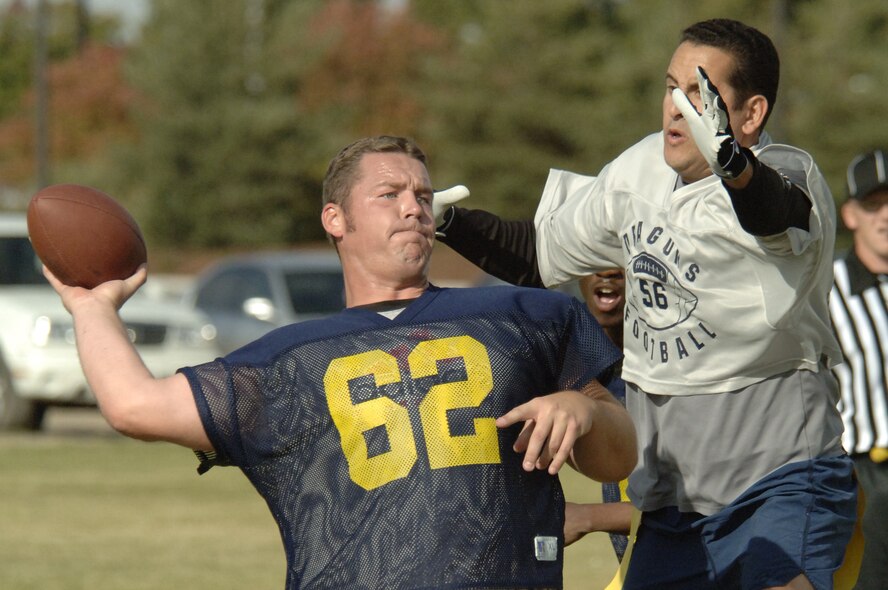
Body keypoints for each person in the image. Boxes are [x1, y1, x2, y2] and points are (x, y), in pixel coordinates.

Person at [45, 135, 637, 589]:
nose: (414, 209)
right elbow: (131, 406)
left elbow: (620, 452)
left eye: (423, 197)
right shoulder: (289, 359)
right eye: (390, 195)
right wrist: (91, 308)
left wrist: (581, 412)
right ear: (336, 219)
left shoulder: (525, 314)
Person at [436, 19, 858, 590]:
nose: (675, 109)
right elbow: (541, 254)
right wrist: (445, 223)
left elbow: (769, 208)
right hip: (672, 498)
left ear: (752, 115)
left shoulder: (786, 175)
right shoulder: (640, 173)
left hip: (778, 476)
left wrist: (733, 164)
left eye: (698, 95)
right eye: (669, 88)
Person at [830, 149, 888, 590]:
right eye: (874, 205)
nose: (885, 217)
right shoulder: (826, 291)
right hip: (863, 475)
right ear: (851, 214)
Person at [564, 270, 633, 563]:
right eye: (592, 258)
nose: (607, 271)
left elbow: (710, 505)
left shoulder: (680, 377)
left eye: (619, 257)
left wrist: (588, 516)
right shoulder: (577, 360)